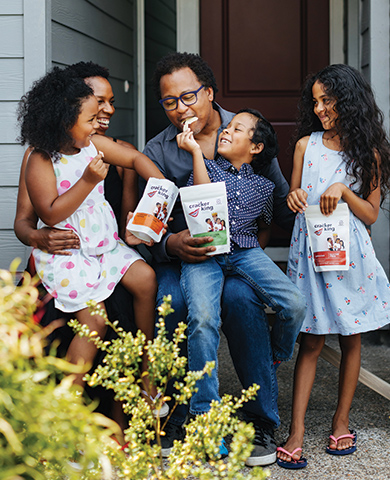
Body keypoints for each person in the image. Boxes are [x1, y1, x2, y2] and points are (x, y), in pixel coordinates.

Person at [142, 52, 300, 466]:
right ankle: (182, 413)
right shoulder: (160, 149)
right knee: (174, 302)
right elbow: (149, 221)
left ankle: (258, 418)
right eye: (170, 101)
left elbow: (276, 204)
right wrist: (170, 244)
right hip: (185, 256)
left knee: (243, 302)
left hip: (240, 254)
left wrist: (312, 198)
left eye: (189, 96)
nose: (181, 108)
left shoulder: (244, 128)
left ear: (209, 93)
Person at [17, 67, 167, 414]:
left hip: (104, 246)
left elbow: (133, 158)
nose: (97, 124)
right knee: (94, 321)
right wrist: (86, 180)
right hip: (69, 253)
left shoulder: (91, 144)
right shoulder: (41, 159)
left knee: (145, 278)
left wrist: (159, 187)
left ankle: (148, 372)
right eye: (89, 118)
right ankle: (65, 411)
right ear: (63, 119)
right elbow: (50, 214)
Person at [276, 64, 390, 469]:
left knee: (351, 338)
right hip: (311, 255)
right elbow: (294, 193)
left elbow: (372, 214)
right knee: (310, 340)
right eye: (316, 101)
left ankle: (341, 422)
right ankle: (297, 430)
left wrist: (343, 191)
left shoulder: (369, 153)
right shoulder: (308, 145)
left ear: (349, 101)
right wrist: (294, 198)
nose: (320, 108)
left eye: (328, 100)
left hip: (349, 256)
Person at [176, 109, 305, 447]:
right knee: (203, 318)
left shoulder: (263, 187)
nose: (226, 131)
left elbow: (263, 226)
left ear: (256, 147)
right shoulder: (205, 167)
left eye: (237, 128)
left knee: (293, 302)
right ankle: (205, 416)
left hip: (245, 252)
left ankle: (276, 355)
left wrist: (255, 260)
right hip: (205, 253)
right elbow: (202, 204)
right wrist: (194, 152)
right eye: (227, 127)